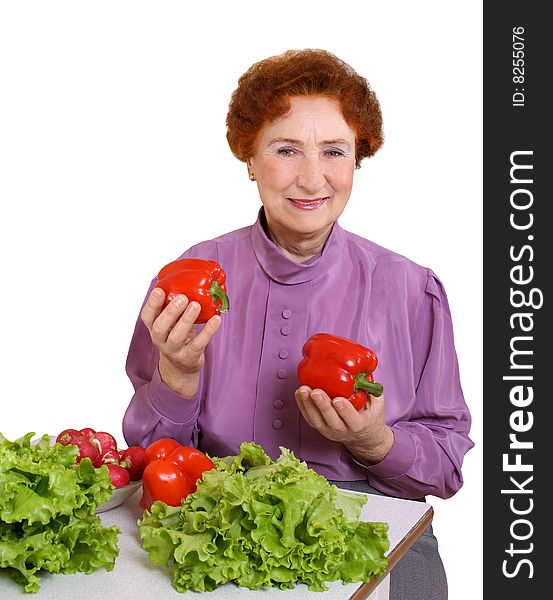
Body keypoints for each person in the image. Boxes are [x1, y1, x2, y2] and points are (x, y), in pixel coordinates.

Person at [122, 49, 473, 599]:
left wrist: (376, 441)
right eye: (286, 149)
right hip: (223, 513)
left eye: (334, 151)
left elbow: (447, 468)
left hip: (372, 515)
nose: (312, 178)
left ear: (358, 159)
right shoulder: (190, 279)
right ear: (250, 158)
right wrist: (178, 377)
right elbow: (153, 457)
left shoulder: (412, 289)